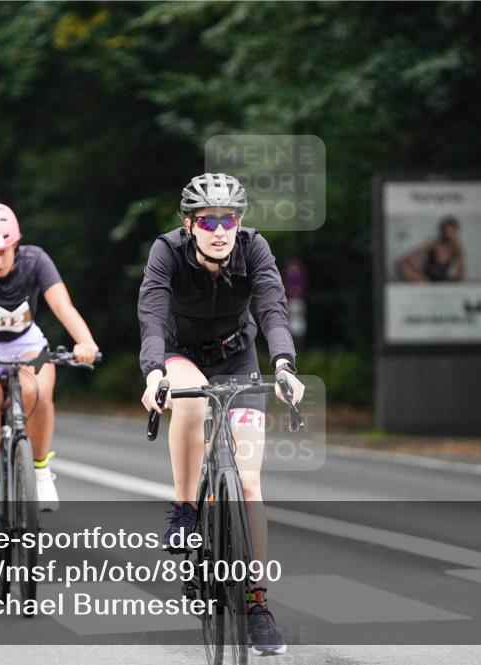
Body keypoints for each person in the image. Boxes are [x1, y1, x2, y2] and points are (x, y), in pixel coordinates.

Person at [138, 173, 304, 656]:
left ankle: (256, 603)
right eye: (208, 220)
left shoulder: (254, 249)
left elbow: (273, 309)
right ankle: (186, 510)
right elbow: (151, 314)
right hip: (179, 352)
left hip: (238, 356)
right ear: (190, 224)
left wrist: (285, 367)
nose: (219, 229)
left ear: (239, 222)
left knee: (249, 482)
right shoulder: (166, 252)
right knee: (189, 396)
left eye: (227, 219)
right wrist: (153, 374)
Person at [0, 203, 99, 586]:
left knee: (38, 391)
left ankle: (39, 468)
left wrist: (85, 342)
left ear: (16, 244)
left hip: (26, 348)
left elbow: (62, 305)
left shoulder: (35, 260)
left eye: (2, 252)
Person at [395, 215, 466, 282]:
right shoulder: (433, 243)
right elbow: (407, 257)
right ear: (442, 231)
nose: (449, 235)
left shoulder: (456, 248)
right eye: (447, 232)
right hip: (426, 279)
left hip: (443, 280)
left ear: (455, 232)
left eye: (452, 232)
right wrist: (415, 274)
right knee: (401, 264)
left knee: (462, 280)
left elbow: (461, 271)